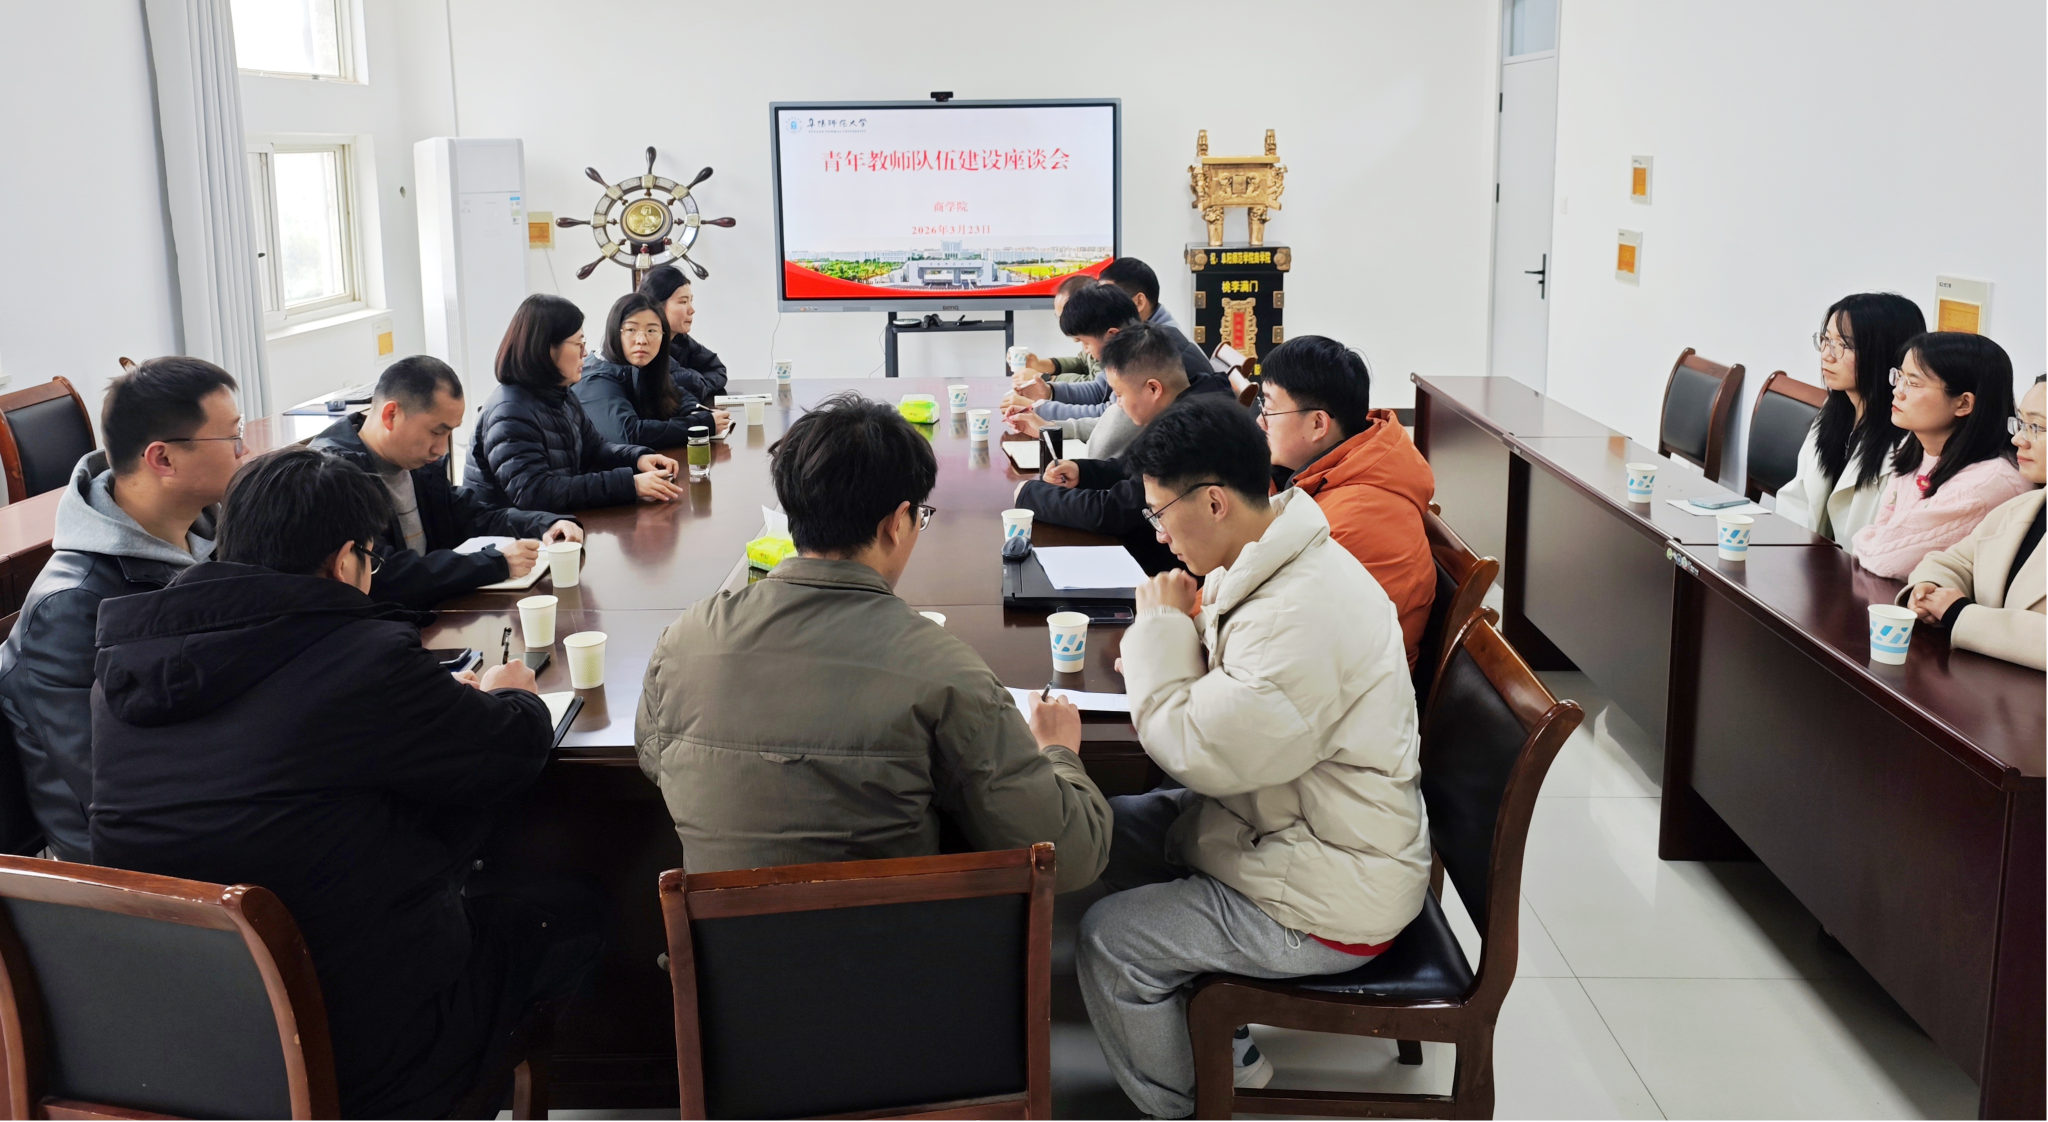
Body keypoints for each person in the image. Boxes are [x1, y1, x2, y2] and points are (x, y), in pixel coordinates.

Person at [89, 448, 602, 1120]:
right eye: (372, 560)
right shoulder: (361, 662)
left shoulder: (124, 672)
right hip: (360, 1057)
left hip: (188, 1049)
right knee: (571, 910)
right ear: (343, 562)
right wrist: (516, 693)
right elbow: (506, 751)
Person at [1077, 396, 1429, 1119]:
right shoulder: (1273, 557)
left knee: (1111, 941)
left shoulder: (1302, 610)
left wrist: (1159, 627)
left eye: (1158, 513)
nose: (1158, 533)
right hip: (1286, 823)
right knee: (1095, 830)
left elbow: (1199, 752)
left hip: (1332, 891)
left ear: (1214, 502)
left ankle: (1182, 1103)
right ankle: (1217, 1040)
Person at [635, 393, 1111, 891]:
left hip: (723, 942)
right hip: (898, 942)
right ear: (896, 522)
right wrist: (1058, 752)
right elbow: (1072, 857)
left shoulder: (684, 641)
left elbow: (653, 759)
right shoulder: (945, 672)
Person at [0, 357, 241, 863]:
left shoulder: (215, 540)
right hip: (129, 870)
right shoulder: (71, 606)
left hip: (219, 804)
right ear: (163, 459)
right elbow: (109, 786)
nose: (244, 451)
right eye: (232, 437)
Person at [311, 354, 582, 609]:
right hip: (380, 623)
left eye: (449, 433)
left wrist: (546, 523)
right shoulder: (332, 477)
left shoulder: (414, 462)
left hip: (430, 611)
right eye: (436, 432)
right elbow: (381, 572)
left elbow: (469, 516)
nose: (441, 449)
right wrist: (495, 563)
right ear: (391, 415)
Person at [1258, 336, 1436, 669]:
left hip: (1344, 690)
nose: (1260, 422)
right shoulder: (1332, 477)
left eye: (1269, 409)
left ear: (1318, 424)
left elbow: (1264, 619)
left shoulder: (1357, 516)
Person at [1014, 323, 1232, 573]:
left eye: (1119, 394)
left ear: (1153, 389)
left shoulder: (1189, 432)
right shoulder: (1192, 401)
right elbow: (1135, 468)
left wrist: (1030, 495)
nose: (1117, 404)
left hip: (1172, 568)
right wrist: (1082, 471)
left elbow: (1118, 510)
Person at [466, 293, 683, 512]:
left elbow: (595, 450)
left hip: (557, 524)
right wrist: (630, 484)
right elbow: (536, 493)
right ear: (546, 348)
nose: (585, 353)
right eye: (578, 343)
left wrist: (638, 459)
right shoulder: (509, 411)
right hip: (513, 531)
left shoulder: (562, 395)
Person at [1851, 333, 2029, 578]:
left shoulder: (1988, 482)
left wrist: (1865, 539)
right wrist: (1872, 540)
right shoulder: (1915, 445)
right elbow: (1883, 531)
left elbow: (1886, 559)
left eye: (1913, 383)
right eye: (1899, 377)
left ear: (1964, 403)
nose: (1898, 391)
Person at [1902, 373, 2046, 670]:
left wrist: (1961, 614)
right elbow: (1957, 561)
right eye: (2021, 423)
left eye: (2036, 427)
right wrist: (1930, 587)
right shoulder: (2025, 506)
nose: (2018, 439)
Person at [1775, 293, 1926, 544]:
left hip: (1856, 565)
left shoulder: (1908, 440)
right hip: (1806, 553)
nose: (1827, 354)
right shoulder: (1833, 411)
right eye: (1826, 340)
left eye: (1842, 344)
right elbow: (1797, 499)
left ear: (1882, 351)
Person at [574, 290, 730, 448]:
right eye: (631, 330)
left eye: (651, 331)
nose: (642, 340)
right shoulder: (596, 377)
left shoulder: (646, 364)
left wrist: (695, 413)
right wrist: (700, 424)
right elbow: (629, 434)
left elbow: (677, 397)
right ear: (615, 332)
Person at [639, 264, 729, 403]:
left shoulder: (679, 339)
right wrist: (696, 379)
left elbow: (717, 369)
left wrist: (700, 383)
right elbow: (689, 383)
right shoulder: (642, 346)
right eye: (683, 302)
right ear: (657, 305)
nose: (691, 310)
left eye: (690, 301)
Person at [1013, 273, 1105, 384]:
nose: (1063, 325)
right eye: (1059, 317)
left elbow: (1096, 385)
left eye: (1065, 318)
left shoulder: (1104, 339)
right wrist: (1038, 364)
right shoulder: (1090, 337)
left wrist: (1045, 378)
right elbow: (1081, 363)